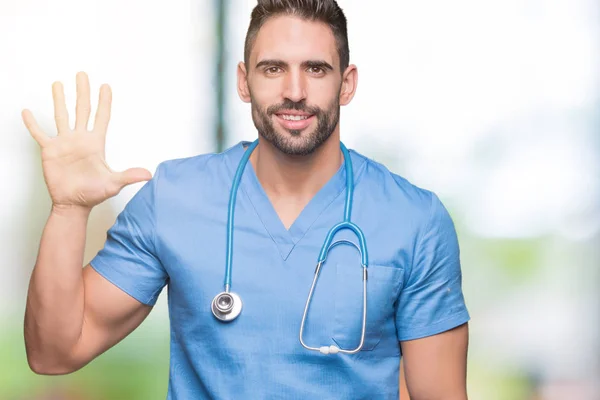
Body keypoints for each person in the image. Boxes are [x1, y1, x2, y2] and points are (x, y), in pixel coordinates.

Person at [21, 0, 470, 398]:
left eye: (316, 68)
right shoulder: (175, 199)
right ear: (243, 80)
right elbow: (54, 352)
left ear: (347, 84)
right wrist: (69, 209)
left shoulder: (414, 220)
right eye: (273, 68)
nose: (294, 90)